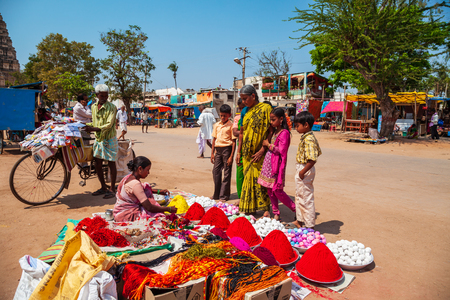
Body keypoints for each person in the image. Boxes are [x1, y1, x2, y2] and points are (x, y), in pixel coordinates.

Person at [236, 85, 271, 214]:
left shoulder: (266, 109)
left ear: (253, 96)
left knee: (260, 181)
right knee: (247, 181)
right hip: (246, 154)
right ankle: (250, 208)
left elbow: (270, 130)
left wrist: (263, 149)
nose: (244, 102)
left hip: (259, 153)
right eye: (242, 99)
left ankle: (265, 209)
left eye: (245, 98)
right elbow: (241, 132)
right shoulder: (245, 111)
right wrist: (238, 152)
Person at [258, 108, 295, 220]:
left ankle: (295, 209)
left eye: (273, 120)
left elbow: (282, 151)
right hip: (270, 165)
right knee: (270, 190)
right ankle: (276, 213)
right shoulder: (275, 131)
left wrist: (268, 145)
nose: (271, 122)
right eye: (270, 119)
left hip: (277, 166)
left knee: (277, 190)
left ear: (281, 119)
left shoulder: (284, 133)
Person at [114, 156, 177, 221]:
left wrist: (158, 191)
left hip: (118, 211)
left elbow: (139, 190)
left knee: (145, 185)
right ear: (140, 169)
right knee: (157, 215)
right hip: (126, 215)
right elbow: (149, 207)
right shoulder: (135, 184)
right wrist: (168, 209)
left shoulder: (128, 177)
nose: (148, 173)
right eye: (147, 170)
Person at [85, 84, 118, 199]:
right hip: (99, 139)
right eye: (102, 96)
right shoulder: (93, 107)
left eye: (106, 96)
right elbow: (94, 123)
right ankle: (103, 186)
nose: (104, 98)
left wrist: (92, 129)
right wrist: (84, 125)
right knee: (97, 163)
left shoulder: (112, 107)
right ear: (97, 95)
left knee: (111, 163)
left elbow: (109, 125)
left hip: (109, 138)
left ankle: (112, 189)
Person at [289, 111, 322, 229]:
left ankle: (309, 225)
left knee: (306, 198)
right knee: (300, 196)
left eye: (297, 125)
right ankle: (300, 220)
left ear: (306, 125)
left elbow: (312, 159)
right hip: (302, 168)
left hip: (305, 168)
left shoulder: (309, 140)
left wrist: (302, 172)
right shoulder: (307, 137)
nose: (296, 128)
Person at [211, 104, 236, 201]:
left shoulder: (231, 126)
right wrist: (212, 153)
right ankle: (216, 194)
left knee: (227, 172)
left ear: (229, 115)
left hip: (227, 149)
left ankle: (224, 195)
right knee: (215, 171)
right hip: (218, 150)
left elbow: (233, 142)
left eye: (224, 116)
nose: (222, 117)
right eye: (221, 115)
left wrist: (231, 156)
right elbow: (214, 139)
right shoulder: (216, 125)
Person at [232, 98, 245, 198]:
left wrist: (240, 132)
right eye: (240, 108)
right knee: (240, 173)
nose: (242, 110)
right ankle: (241, 196)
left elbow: (238, 132)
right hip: (241, 147)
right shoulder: (238, 118)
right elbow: (235, 132)